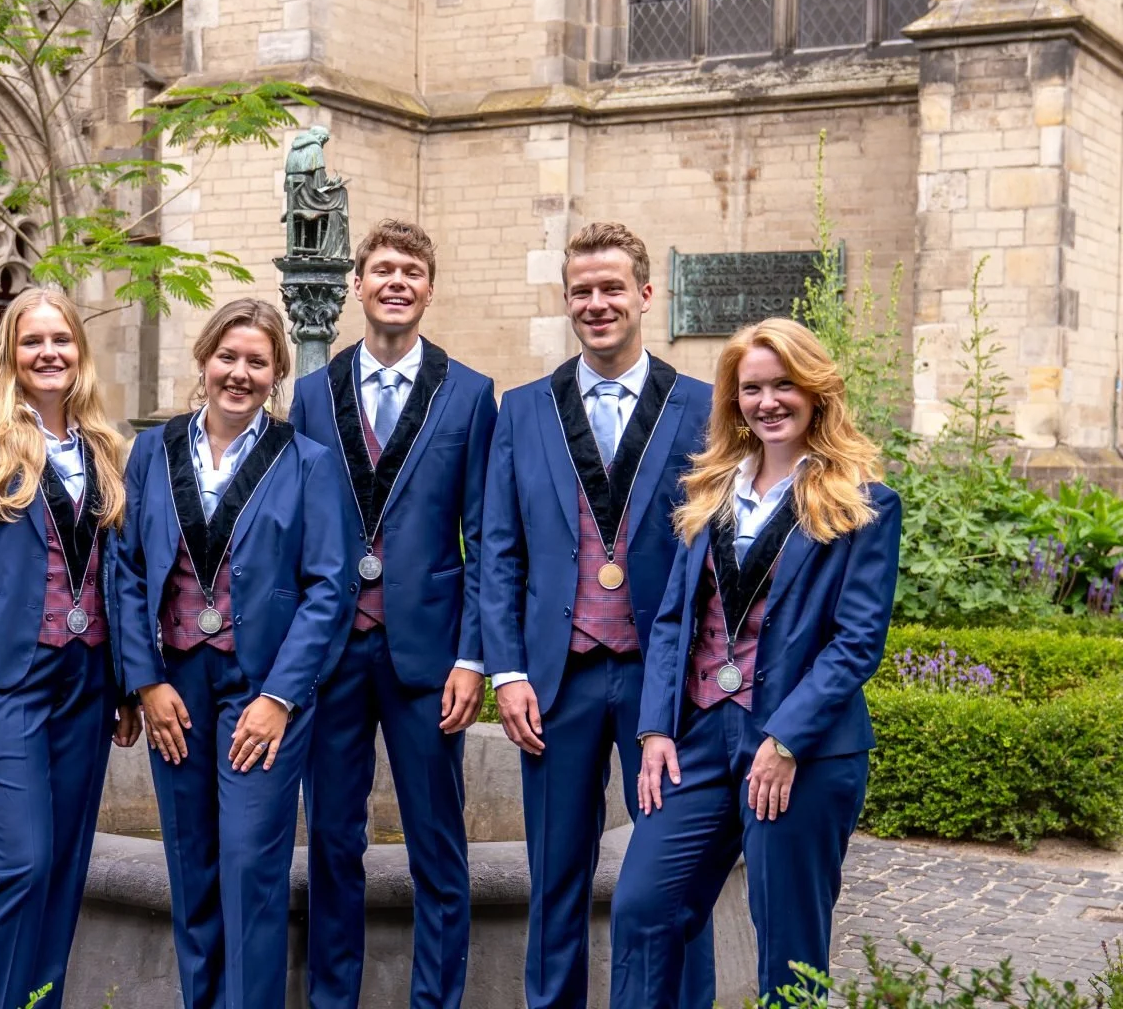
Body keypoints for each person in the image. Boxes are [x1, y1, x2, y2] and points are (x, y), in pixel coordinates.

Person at [611, 317, 901, 1006]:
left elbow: (857, 641)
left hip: (802, 750)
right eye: (751, 389)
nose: (767, 402)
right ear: (733, 399)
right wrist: (655, 730)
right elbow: (675, 621)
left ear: (815, 392)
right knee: (642, 908)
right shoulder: (710, 493)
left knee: (788, 954)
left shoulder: (863, 503)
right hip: (699, 737)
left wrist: (787, 740)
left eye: (783, 386)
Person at [480, 222, 717, 1009]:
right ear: (566, 300)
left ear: (645, 295)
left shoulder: (702, 407)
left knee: (674, 879)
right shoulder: (523, 409)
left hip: (665, 683)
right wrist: (507, 672)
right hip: (557, 680)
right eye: (582, 291)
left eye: (612, 288)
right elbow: (499, 552)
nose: (597, 303)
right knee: (554, 880)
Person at [116, 298, 355, 1009]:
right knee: (191, 864)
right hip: (176, 686)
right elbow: (126, 570)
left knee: (251, 866)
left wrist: (280, 698)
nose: (239, 374)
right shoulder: (152, 451)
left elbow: (329, 588)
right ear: (204, 360)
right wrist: (146, 682)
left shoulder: (307, 462)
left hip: (262, 689)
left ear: (277, 372)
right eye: (228, 357)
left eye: (257, 361)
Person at [291, 219, 497, 1009]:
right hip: (334, 652)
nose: (396, 283)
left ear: (429, 290)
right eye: (382, 270)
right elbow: (295, 533)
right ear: (358, 285)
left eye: (411, 271)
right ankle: (331, 1000)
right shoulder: (312, 395)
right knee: (332, 842)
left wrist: (473, 657)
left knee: (437, 847)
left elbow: (485, 539)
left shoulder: (471, 395)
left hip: (429, 657)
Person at [0, 288, 141, 1009]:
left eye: (61, 339)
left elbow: (118, 575)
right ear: (10, 353)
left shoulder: (105, 448)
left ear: (79, 349)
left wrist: (126, 686)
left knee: (63, 869)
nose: (49, 353)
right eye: (33, 341)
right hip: (4, 682)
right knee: (19, 862)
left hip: (87, 682)